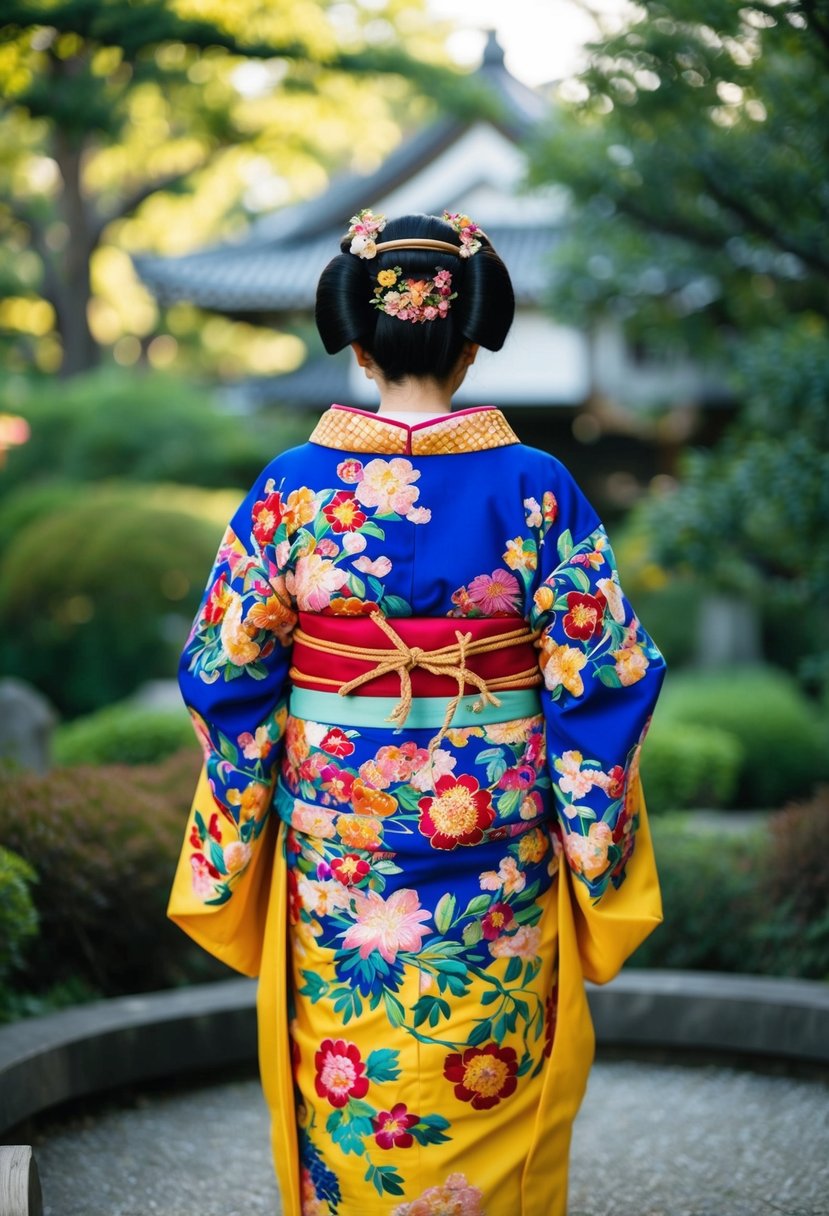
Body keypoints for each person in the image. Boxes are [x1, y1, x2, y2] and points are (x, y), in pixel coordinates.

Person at [168, 209, 666, 1216]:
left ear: (356, 339)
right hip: (498, 844)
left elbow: (224, 674)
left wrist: (251, 793)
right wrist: (589, 828)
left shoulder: (292, 489)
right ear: (473, 335)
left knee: (351, 1076)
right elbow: (602, 678)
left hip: (338, 844)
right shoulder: (537, 487)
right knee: (490, 1058)